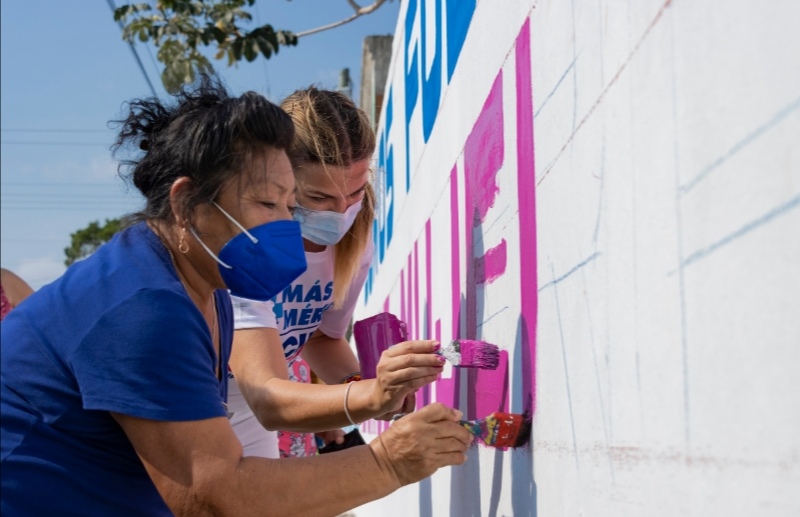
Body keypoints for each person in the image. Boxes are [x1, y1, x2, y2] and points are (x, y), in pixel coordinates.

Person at [0, 76, 471, 516]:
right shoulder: (144, 306)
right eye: (268, 204)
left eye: (291, 207)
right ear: (186, 203)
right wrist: (388, 462)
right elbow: (215, 496)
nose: (288, 229)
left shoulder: (211, 288)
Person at [228, 87, 441, 459]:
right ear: (278, 180)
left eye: (356, 192)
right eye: (319, 198)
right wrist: (368, 396)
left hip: (257, 412)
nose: (341, 212)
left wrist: (369, 387)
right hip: (204, 404)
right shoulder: (244, 245)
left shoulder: (353, 245)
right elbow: (267, 396)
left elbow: (321, 338)